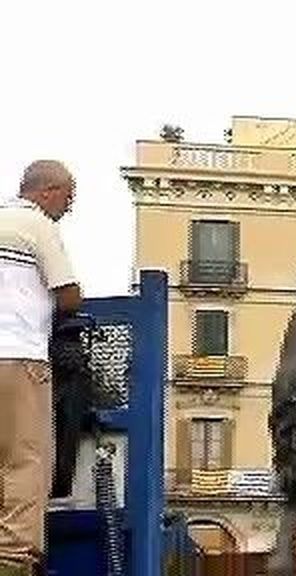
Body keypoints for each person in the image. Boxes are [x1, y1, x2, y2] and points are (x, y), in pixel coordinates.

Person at [0, 160, 81, 576]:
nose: (69, 206)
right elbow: (67, 294)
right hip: (18, 357)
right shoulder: (37, 226)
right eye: (68, 196)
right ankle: (13, 561)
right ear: (47, 191)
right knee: (25, 460)